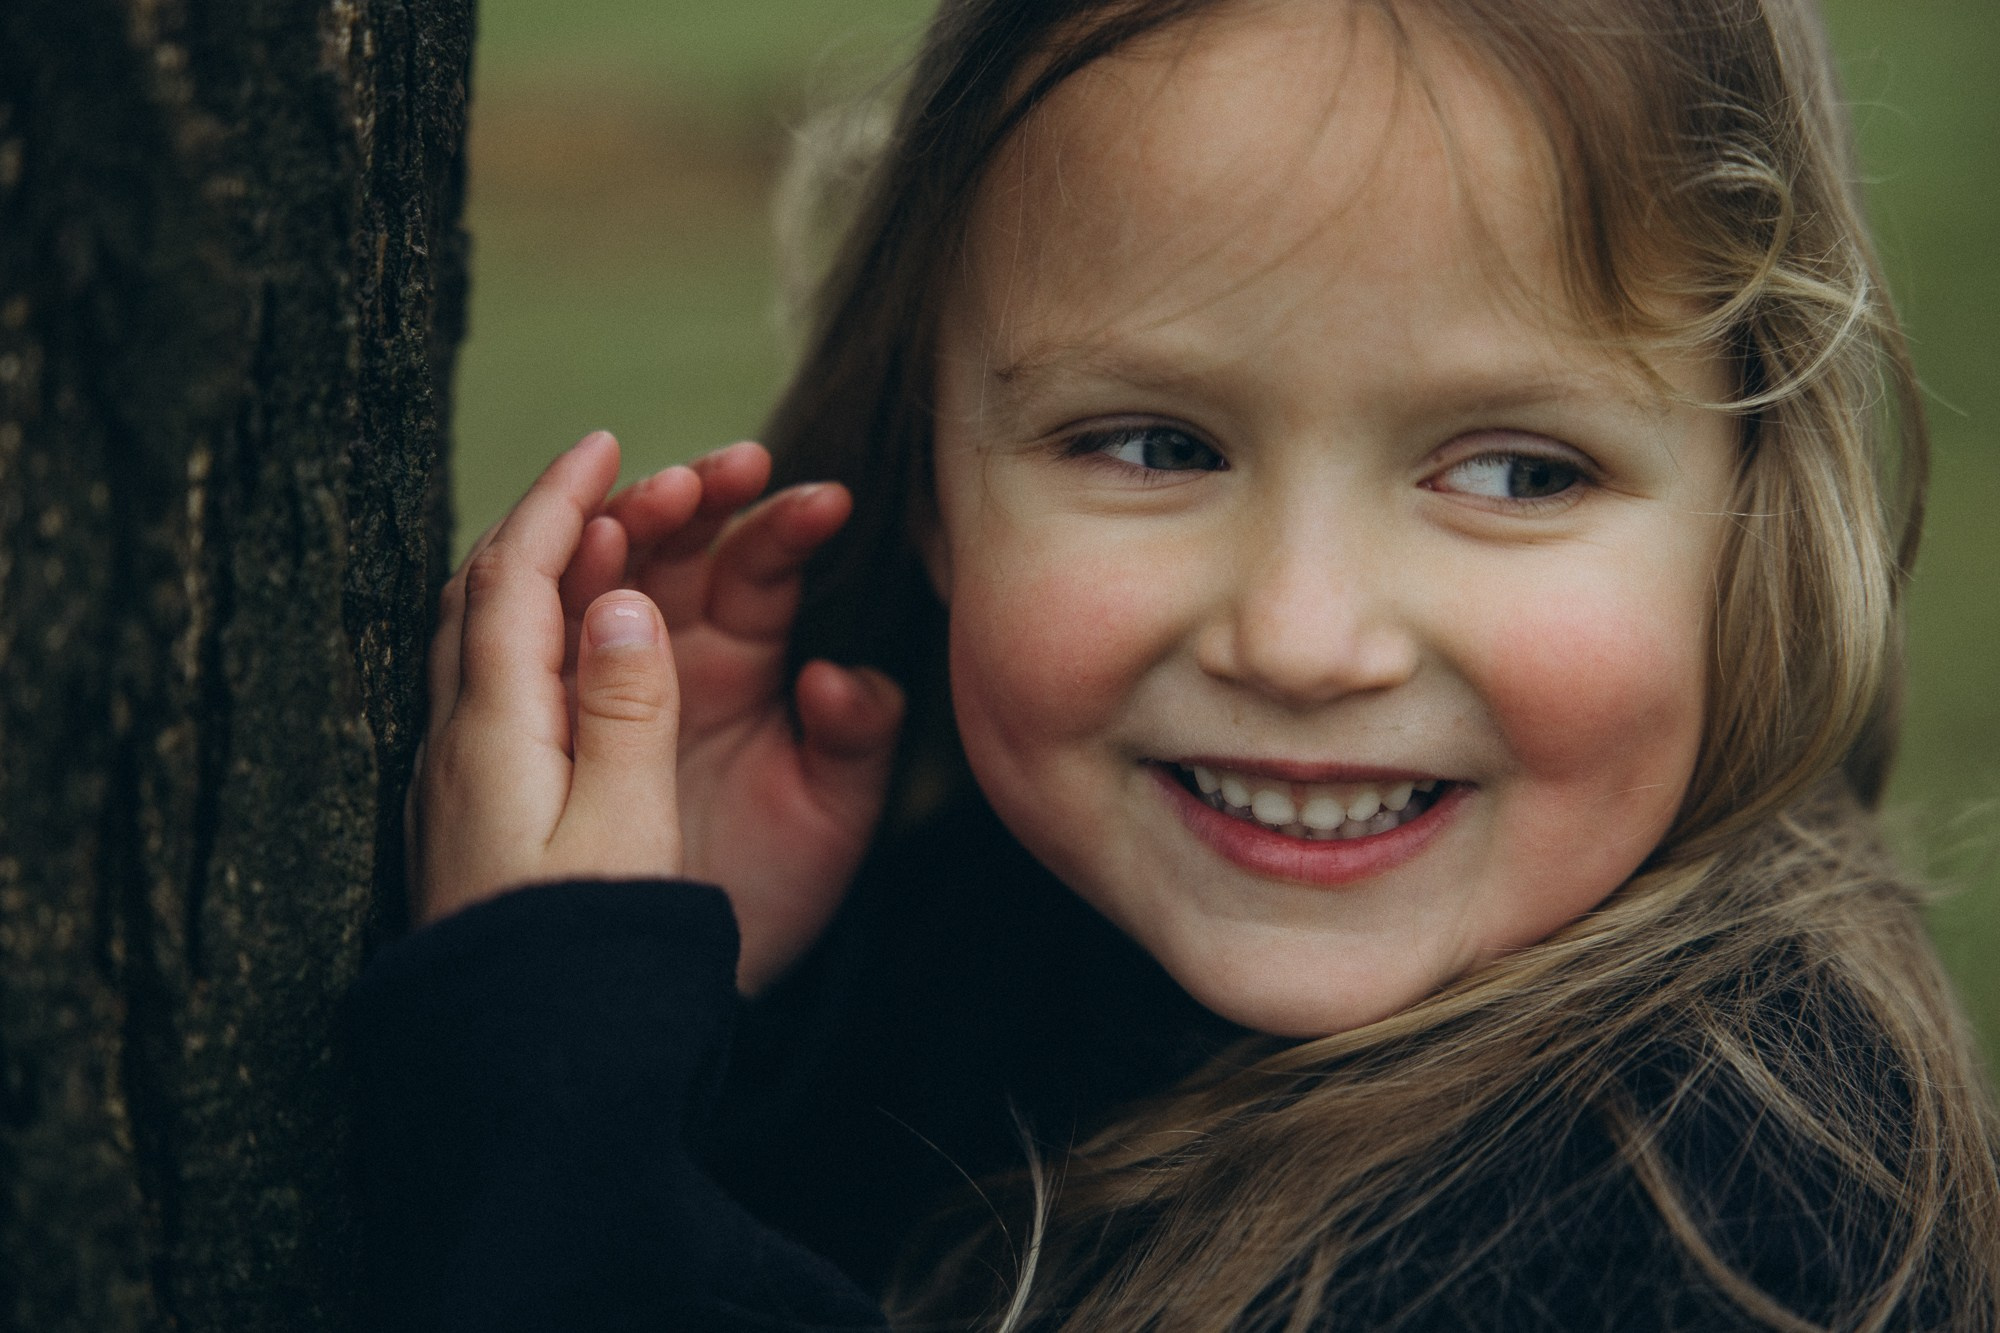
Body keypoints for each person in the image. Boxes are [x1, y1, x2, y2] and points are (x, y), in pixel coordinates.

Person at [351, 0, 2000, 1328]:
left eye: (1512, 472)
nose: (1297, 636)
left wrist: (547, 1098)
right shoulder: (999, 931)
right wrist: (710, 1002)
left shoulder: (1727, 1211)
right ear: (934, 475)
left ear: (1752, 515)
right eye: (1150, 444)